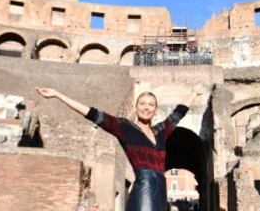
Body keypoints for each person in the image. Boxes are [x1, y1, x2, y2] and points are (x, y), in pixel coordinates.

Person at [36, 85, 204, 211]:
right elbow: (93, 114)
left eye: (151, 105)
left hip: (161, 190)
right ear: (136, 107)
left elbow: (177, 114)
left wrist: (194, 93)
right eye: (142, 104)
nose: (146, 107)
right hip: (144, 189)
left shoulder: (160, 132)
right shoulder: (124, 127)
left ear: (155, 110)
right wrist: (58, 95)